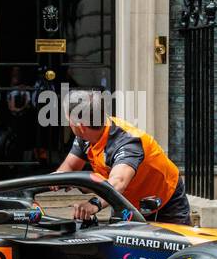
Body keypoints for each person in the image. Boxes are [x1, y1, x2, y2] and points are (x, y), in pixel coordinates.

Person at [52, 87, 192, 225]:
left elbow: (117, 182)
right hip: (126, 201)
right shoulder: (86, 136)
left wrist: (93, 204)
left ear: (80, 125)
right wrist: (53, 181)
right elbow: (70, 166)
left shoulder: (127, 142)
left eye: (68, 120)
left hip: (165, 201)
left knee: (177, 246)